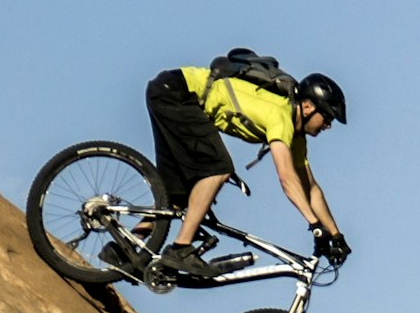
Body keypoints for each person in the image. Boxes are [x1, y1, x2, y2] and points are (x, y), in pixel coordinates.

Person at [142, 56, 350, 285]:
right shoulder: (281, 116)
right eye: (327, 116)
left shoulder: (296, 138)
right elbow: (287, 178)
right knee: (217, 170)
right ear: (308, 106)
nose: (328, 125)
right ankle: (180, 249)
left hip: (170, 92)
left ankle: (127, 248)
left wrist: (336, 235)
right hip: (178, 92)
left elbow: (310, 189)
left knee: (178, 197)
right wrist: (313, 224)